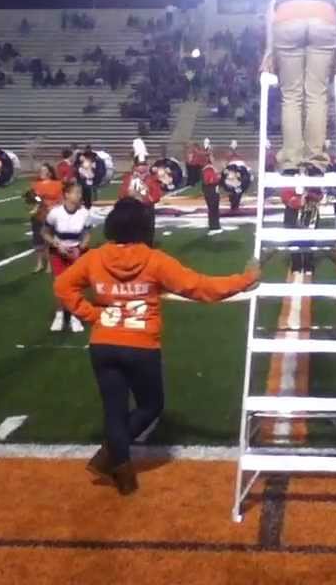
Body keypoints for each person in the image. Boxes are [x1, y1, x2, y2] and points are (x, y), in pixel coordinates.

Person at [53, 198, 259, 494]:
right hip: (141, 344)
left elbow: (62, 286)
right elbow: (199, 287)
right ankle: (111, 455)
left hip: (104, 343)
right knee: (150, 405)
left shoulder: (94, 258)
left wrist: (93, 315)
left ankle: (122, 471)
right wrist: (245, 279)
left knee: (114, 410)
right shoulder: (154, 260)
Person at [261, 0, 336, 172]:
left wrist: (269, 49)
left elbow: (271, 9)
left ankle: (291, 160)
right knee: (317, 95)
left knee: (291, 95)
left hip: (287, 20)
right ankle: (315, 160)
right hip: (324, 20)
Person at [45, 183, 93, 332]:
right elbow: (45, 232)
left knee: (76, 285)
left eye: (80, 193)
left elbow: (86, 234)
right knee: (59, 284)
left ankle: (75, 316)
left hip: (77, 252)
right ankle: (59, 315)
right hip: (58, 252)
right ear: (66, 195)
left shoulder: (84, 213)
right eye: (76, 193)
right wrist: (57, 245)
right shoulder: (55, 213)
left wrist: (80, 248)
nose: (79, 196)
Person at [28, 163, 64, 273]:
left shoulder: (58, 184)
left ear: (50, 172)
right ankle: (39, 263)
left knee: (48, 239)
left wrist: (54, 206)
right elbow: (32, 200)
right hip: (39, 215)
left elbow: (61, 200)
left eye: (44, 170)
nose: (42, 172)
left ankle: (49, 263)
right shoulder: (35, 185)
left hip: (51, 215)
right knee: (38, 239)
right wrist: (35, 206)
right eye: (41, 170)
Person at [202, 157, 222, 234]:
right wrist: (218, 177)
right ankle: (214, 227)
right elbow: (209, 181)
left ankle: (215, 226)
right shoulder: (209, 169)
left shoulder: (209, 169)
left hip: (211, 190)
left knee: (213, 209)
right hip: (211, 190)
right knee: (213, 209)